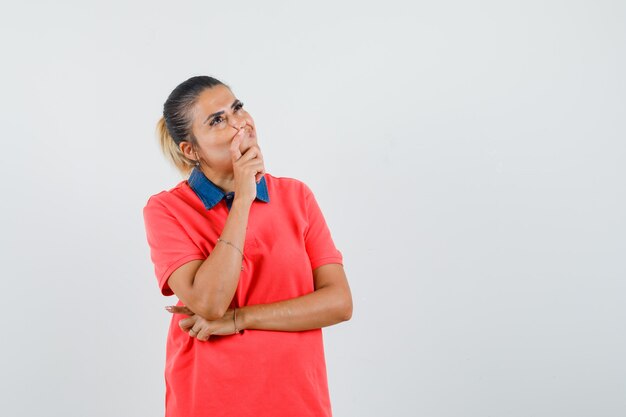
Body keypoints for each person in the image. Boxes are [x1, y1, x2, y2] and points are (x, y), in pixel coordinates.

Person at [142, 75, 353, 417]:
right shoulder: (166, 210)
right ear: (190, 150)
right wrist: (243, 198)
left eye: (237, 107)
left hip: (297, 402)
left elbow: (339, 303)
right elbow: (210, 303)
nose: (239, 122)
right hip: (210, 401)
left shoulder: (297, 196)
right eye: (218, 120)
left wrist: (239, 319)